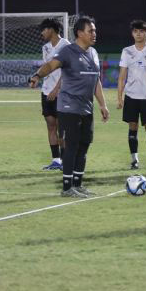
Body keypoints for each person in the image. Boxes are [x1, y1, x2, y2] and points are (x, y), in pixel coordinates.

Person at [32, 15, 110, 197]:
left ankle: (78, 184)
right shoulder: (68, 51)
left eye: (95, 31)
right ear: (80, 33)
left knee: (84, 146)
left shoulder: (94, 53)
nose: (94, 34)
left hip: (87, 108)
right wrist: (36, 76)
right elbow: (50, 66)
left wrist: (103, 105)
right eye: (91, 31)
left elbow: (95, 80)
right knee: (71, 146)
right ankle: (67, 188)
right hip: (68, 108)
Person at [117, 20, 146, 169]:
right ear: (132, 33)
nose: (139, 34)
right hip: (131, 97)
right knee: (132, 127)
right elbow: (122, 76)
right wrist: (119, 97)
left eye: (142, 31)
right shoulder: (127, 51)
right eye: (136, 31)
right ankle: (134, 160)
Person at [29, 18, 70, 171]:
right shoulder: (45, 47)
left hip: (61, 92)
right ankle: (56, 160)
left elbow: (66, 70)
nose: (42, 33)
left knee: (61, 127)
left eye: (43, 30)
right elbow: (47, 67)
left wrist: (56, 89)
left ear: (51, 29)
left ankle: (66, 160)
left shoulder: (66, 46)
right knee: (50, 125)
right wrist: (36, 78)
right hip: (46, 91)